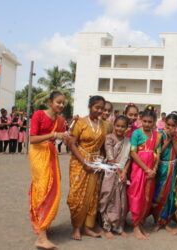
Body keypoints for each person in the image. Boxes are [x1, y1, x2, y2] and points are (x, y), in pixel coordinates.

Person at [28, 91, 68, 249]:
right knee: (42, 189)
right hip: (38, 154)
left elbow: (59, 136)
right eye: (58, 102)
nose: (61, 105)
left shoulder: (60, 120)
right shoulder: (38, 114)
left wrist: (64, 137)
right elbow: (32, 139)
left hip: (51, 154)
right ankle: (41, 236)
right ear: (50, 102)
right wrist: (52, 134)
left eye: (63, 103)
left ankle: (44, 226)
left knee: (54, 190)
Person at [67, 95, 107, 240]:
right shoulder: (81, 123)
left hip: (95, 163)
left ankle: (86, 227)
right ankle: (76, 228)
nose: (100, 110)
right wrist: (84, 162)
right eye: (97, 107)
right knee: (76, 196)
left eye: (102, 108)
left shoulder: (104, 125)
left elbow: (103, 146)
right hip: (80, 162)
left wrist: (101, 159)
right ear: (90, 107)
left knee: (92, 196)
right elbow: (72, 143)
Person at [127, 105, 162, 240]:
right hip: (139, 170)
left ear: (154, 122)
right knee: (137, 196)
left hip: (151, 172)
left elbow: (157, 154)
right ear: (141, 120)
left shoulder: (157, 135)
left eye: (150, 122)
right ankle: (135, 226)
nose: (147, 124)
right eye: (145, 121)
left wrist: (154, 169)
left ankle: (141, 224)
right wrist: (146, 169)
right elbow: (133, 153)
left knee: (147, 198)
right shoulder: (136, 133)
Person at [99, 115, 131, 239]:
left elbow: (128, 158)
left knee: (121, 201)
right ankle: (107, 227)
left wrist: (124, 173)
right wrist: (119, 173)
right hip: (110, 173)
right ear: (114, 125)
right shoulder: (109, 138)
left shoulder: (127, 142)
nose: (120, 128)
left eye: (123, 126)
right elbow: (111, 157)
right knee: (107, 198)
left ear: (127, 128)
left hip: (122, 174)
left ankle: (118, 227)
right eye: (118, 125)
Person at [152, 113, 177, 232]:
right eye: (168, 125)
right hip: (162, 167)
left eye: (173, 125)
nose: (170, 127)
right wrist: (168, 139)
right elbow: (158, 151)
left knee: (170, 195)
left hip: (173, 166)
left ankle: (164, 221)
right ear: (165, 124)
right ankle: (157, 220)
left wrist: (174, 139)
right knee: (159, 194)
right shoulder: (161, 135)